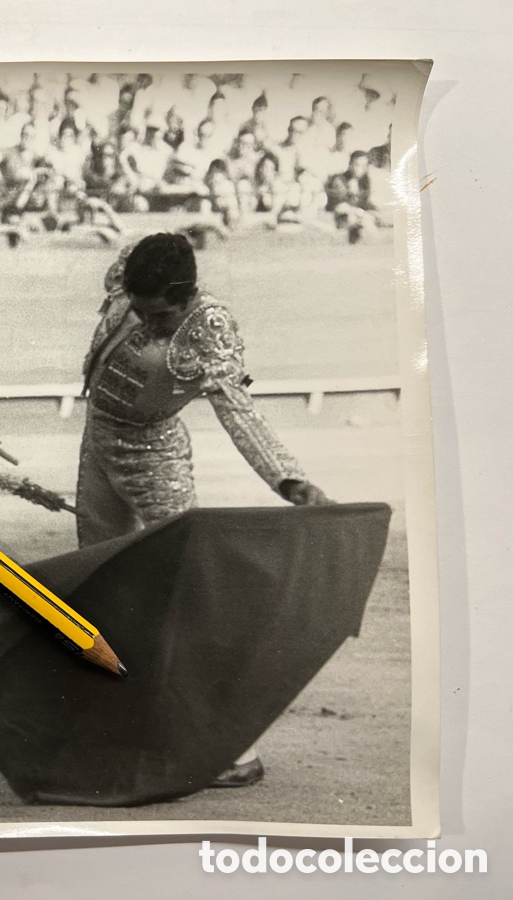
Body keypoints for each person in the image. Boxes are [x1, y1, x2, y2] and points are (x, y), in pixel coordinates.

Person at [76, 233, 331, 787]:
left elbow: (239, 409)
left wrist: (287, 479)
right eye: (139, 311)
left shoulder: (210, 328)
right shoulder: (132, 275)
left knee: (185, 596)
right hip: (98, 444)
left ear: (187, 294)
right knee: (98, 585)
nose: (148, 324)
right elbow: (141, 254)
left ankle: (234, 748)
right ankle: (123, 724)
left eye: (161, 315)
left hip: (154, 460)